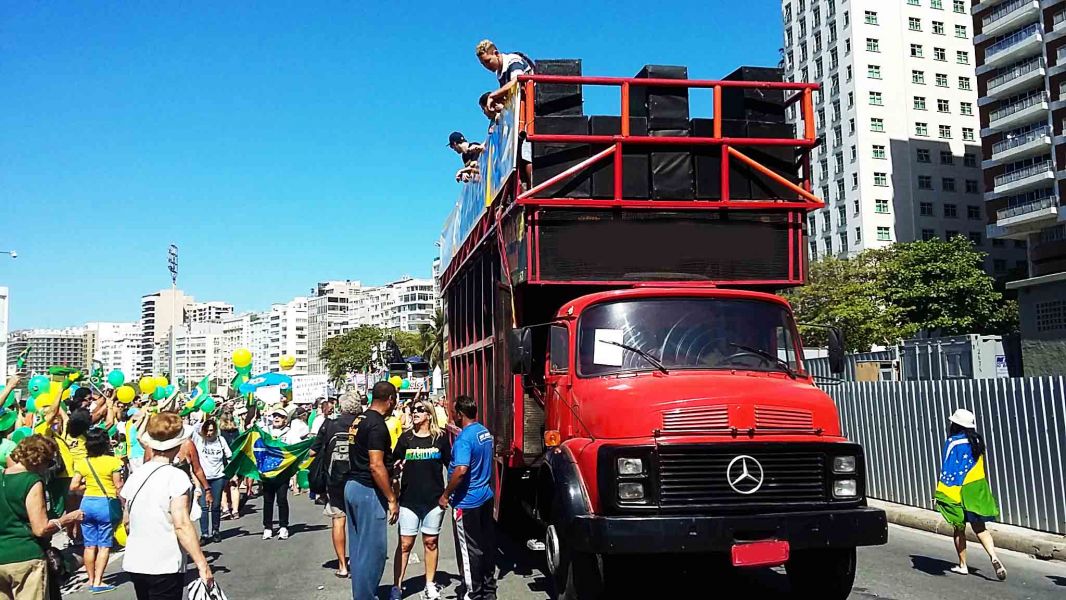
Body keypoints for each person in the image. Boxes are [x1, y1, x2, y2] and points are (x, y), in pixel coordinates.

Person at [121, 412, 213, 600]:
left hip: (136, 560)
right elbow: (181, 524)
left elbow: (127, 521)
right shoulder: (176, 477)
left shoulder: (136, 475)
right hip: (164, 561)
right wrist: (202, 564)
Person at [0, 436, 83, 600]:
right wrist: (68, 518)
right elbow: (40, 528)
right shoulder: (31, 481)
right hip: (25, 556)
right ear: (40, 460)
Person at [389, 398, 451, 600]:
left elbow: (451, 466)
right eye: (412, 409)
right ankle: (397, 586)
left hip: (434, 500)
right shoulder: (406, 439)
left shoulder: (439, 439)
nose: (414, 412)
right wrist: (396, 471)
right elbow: (392, 464)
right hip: (409, 500)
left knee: (431, 542)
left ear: (429, 414)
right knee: (405, 544)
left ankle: (430, 584)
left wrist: (447, 494)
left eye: (419, 410)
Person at [935, 408, 1006, 581]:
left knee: (959, 528)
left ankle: (963, 565)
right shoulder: (977, 441)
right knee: (980, 528)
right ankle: (994, 557)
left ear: (955, 425)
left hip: (959, 489)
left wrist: (942, 492)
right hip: (977, 488)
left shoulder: (952, 442)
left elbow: (948, 469)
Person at [344, 381, 399, 600]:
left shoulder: (359, 419)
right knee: (374, 551)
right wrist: (392, 499)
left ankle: (361, 594)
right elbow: (375, 465)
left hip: (353, 486)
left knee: (358, 551)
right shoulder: (377, 424)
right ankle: (366, 596)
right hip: (368, 490)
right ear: (391, 400)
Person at [440, 395, 497, 600]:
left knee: (469, 549)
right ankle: (489, 590)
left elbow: (461, 470)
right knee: (486, 545)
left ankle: (473, 592)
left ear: (461, 414)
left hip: (467, 501)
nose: (452, 416)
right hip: (485, 496)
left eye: (454, 412)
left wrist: (446, 494)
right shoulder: (484, 432)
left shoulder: (464, 438)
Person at [309, 392, 362, 579]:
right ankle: (358, 561)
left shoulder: (330, 425)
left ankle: (342, 565)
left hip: (334, 481)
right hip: (360, 480)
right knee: (359, 523)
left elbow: (313, 452)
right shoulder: (364, 424)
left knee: (338, 521)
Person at [69, 428, 124, 594]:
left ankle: (91, 579)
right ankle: (99, 581)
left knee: (89, 545)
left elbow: (73, 486)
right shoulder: (113, 462)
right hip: (105, 503)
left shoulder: (82, 463)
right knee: (104, 545)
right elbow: (118, 486)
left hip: (87, 503)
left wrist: (87, 486)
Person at [475, 39, 534, 186]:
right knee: (516, 155)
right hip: (520, 115)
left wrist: (493, 96)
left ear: (496, 53)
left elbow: (517, 81)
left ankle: (533, 189)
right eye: (483, 64)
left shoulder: (513, 61)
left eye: (488, 61)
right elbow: (510, 97)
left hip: (532, 113)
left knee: (526, 152)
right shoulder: (500, 74)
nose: (487, 67)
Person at [261, 408, 301, 540]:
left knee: (282, 499)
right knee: (267, 500)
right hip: (267, 472)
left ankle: (283, 526)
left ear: (285, 419)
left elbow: (297, 449)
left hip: (283, 472)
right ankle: (268, 527)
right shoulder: (266, 431)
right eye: (275, 416)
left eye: (280, 416)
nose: (276, 418)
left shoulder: (290, 433)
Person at [193, 419, 231, 544]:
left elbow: (229, 456)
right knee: (203, 506)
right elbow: (194, 427)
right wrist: (205, 416)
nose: (209, 433)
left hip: (218, 476)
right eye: (207, 430)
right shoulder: (200, 440)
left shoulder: (220, 440)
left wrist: (232, 474)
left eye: (211, 430)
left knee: (215, 505)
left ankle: (216, 531)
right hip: (203, 477)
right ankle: (204, 533)